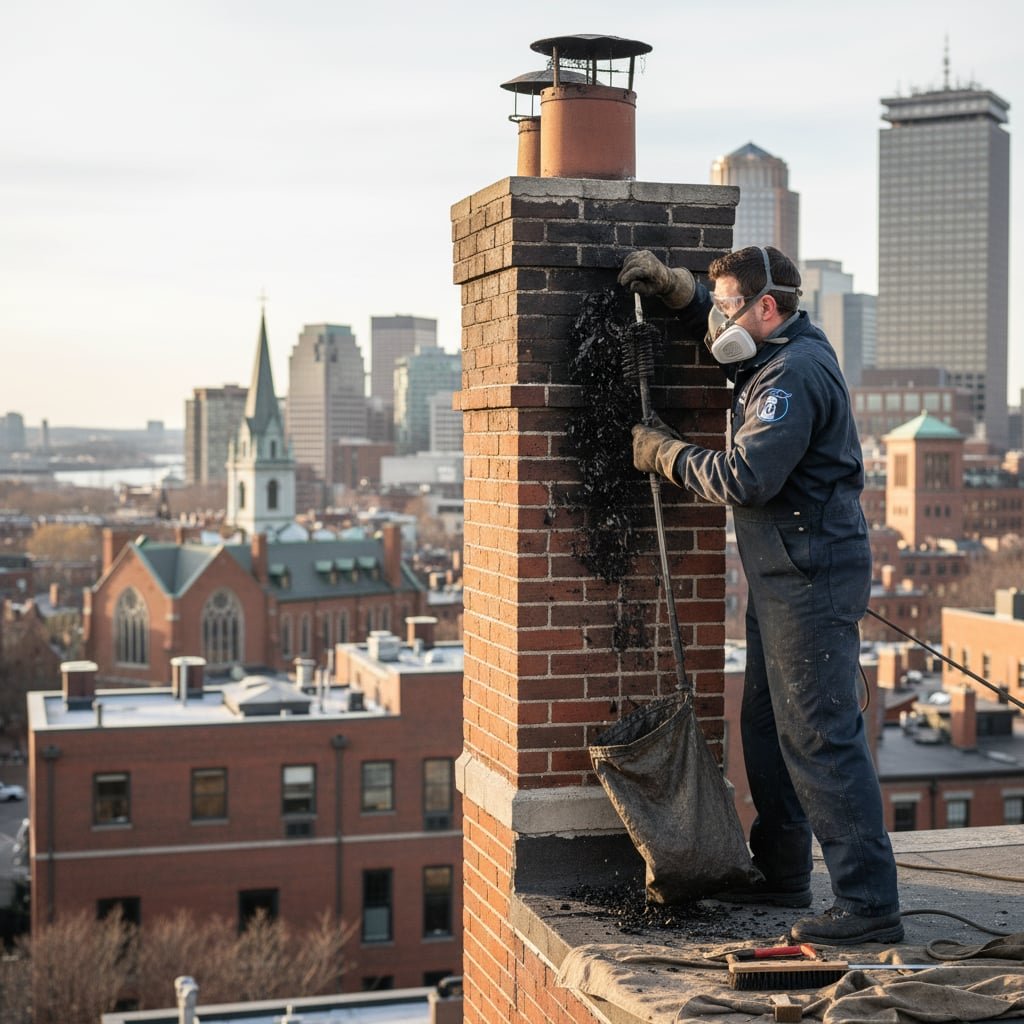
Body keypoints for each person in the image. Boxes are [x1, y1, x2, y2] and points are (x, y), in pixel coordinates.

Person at [618, 245, 902, 946]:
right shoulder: (775, 350)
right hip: (781, 574)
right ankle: (782, 873)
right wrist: (680, 293)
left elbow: (747, 478)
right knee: (767, 728)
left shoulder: (793, 374)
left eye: (726, 307)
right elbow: (725, 341)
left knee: (821, 737)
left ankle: (868, 905)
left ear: (765, 308)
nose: (718, 322)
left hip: (809, 580)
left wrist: (666, 454)